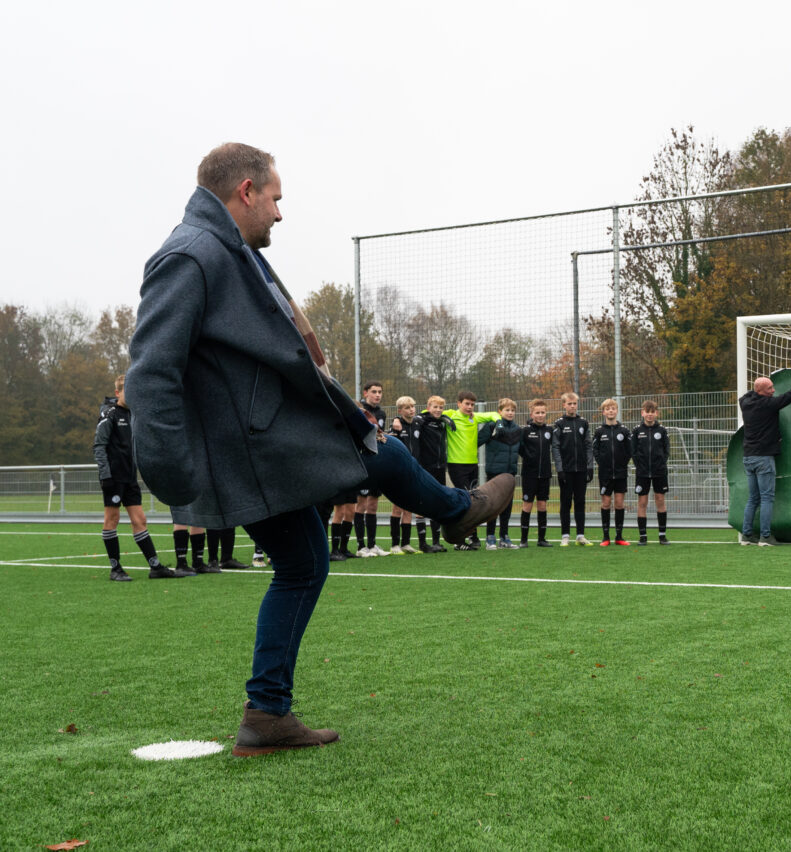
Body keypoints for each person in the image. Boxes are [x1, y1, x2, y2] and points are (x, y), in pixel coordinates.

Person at [126, 142, 512, 756]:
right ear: (246, 191)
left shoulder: (225, 251)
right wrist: (168, 463)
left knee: (306, 562)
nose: (280, 214)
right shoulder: (191, 255)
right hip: (254, 445)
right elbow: (151, 370)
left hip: (260, 434)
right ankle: (455, 512)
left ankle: (267, 715)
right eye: (275, 199)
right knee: (366, 443)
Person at [94, 376, 186, 580]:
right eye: (127, 390)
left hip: (129, 477)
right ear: (118, 393)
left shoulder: (134, 415)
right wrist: (105, 475)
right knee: (112, 519)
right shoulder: (108, 414)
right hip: (113, 477)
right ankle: (115, 568)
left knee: (140, 519)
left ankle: (155, 567)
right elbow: (99, 446)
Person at [738, 368, 791, 546]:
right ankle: (765, 537)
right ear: (760, 392)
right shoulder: (768, 405)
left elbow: (749, 394)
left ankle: (747, 535)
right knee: (766, 498)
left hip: (748, 457)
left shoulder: (745, 402)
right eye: (769, 389)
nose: (773, 391)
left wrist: (760, 385)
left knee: (753, 498)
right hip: (763, 458)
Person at [442, 391, 502, 550]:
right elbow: (429, 412)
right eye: (466, 404)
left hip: (472, 465)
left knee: (473, 502)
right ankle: (458, 541)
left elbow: (494, 415)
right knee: (464, 500)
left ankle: (472, 537)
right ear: (458, 403)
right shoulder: (451, 414)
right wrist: (444, 417)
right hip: (456, 465)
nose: (469, 407)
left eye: (472, 404)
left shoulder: (474, 417)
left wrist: (499, 424)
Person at [410, 395, 455, 553]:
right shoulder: (421, 421)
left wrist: (446, 418)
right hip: (424, 468)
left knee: (437, 502)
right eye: (435, 407)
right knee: (421, 503)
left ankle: (436, 542)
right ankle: (423, 543)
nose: (438, 410)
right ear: (428, 407)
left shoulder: (442, 421)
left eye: (440, 407)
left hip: (439, 468)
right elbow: (415, 443)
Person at [478, 399, 522, 549]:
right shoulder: (491, 426)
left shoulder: (517, 430)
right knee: (493, 505)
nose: (510, 413)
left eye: (512, 410)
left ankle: (504, 537)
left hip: (510, 474)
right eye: (507, 410)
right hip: (494, 473)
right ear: (499, 411)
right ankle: (490, 537)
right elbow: (476, 441)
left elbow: (523, 451)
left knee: (507, 506)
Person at [552, 391, 593, 545]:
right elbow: (555, 448)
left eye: (574, 403)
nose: (572, 406)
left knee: (580, 501)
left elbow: (588, 445)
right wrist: (560, 469)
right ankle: (565, 536)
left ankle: (580, 536)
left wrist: (589, 467)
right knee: (566, 502)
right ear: (564, 405)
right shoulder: (559, 424)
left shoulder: (583, 423)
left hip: (581, 470)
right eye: (569, 404)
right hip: (566, 471)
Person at [592, 398, 632, 546]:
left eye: (613, 408)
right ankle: (606, 537)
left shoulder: (624, 431)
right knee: (606, 503)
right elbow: (594, 450)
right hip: (605, 474)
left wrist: (622, 463)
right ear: (603, 412)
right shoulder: (599, 431)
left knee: (620, 504)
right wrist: (602, 463)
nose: (610, 411)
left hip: (620, 474)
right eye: (607, 409)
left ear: (616, 411)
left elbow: (630, 450)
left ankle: (619, 536)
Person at [355, 382, 389, 556]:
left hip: (377, 463)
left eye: (380, 392)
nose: (377, 395)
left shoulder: (381, 413)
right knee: (361, 504)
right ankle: (361, 546)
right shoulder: (360, 410)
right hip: (364, 463)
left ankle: (372, 544)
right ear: (366, 393)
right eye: (374, 392)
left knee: (373, 505)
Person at [631, 400, 671, 546]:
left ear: (656, 413)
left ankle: (662, 536)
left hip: (659, 472)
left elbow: (666, 450)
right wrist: (639, 465)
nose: (649, 415)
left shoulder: (662, 430)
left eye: (652, 412)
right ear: (642, 413)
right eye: (647, 412)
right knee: (642, 502)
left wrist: (661, 463)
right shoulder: (636, 431)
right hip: (642, 473)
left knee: (660, 500)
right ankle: (643, 536)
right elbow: (633, 451)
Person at [518, 399, 556, 547]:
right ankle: (523, 540)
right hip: (529, 474)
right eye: (537, 412)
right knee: (527, 505)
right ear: (531, 414)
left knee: (542, 505)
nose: (540, 415)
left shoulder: (549, 431)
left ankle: (541, 539)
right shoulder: (525, 431)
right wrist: (528, 457)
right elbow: (520, 448)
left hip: (545, 474)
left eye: (543, 412)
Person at [387, 396, 418, 554]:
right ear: (400, 411)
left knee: (409, 508)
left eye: (412, 407)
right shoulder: (396, 427)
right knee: (397, 508)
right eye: (407, 408)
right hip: (398, 471)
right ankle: (394, 544)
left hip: (413, 470)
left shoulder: (418, 423)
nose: (411, 410)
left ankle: (406, 543)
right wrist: (396, 419)